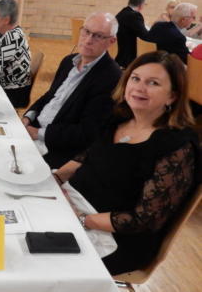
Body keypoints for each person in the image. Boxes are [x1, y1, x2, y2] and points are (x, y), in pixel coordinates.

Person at [53, 51, 199, 275]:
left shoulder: (175, 146)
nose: (139, 88)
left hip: (115, 238)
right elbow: (89, 155)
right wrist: (55, 178)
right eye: (135, 78)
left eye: (153, 83)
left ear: (172, 96)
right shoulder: (119, 118)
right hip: (75, 204)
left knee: (36, 260)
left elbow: (143, 219)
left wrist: (81, 219)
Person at [22, 12, 122, 169]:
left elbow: (87, 132)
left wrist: (36, 133)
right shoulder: (69, 61)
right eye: (86, 32)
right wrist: (28, 117)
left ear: (111, 41)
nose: (88, 40)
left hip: (56, 147)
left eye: (98, 36)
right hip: (34, 129)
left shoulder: (111, 77)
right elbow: (50, 96)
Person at [115, 0, 149, 68]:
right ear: (140, 5)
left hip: (120, 57)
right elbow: (145, 36)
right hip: (127, 60)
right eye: (144, 4)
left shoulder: (122, 13)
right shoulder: (135, 16)